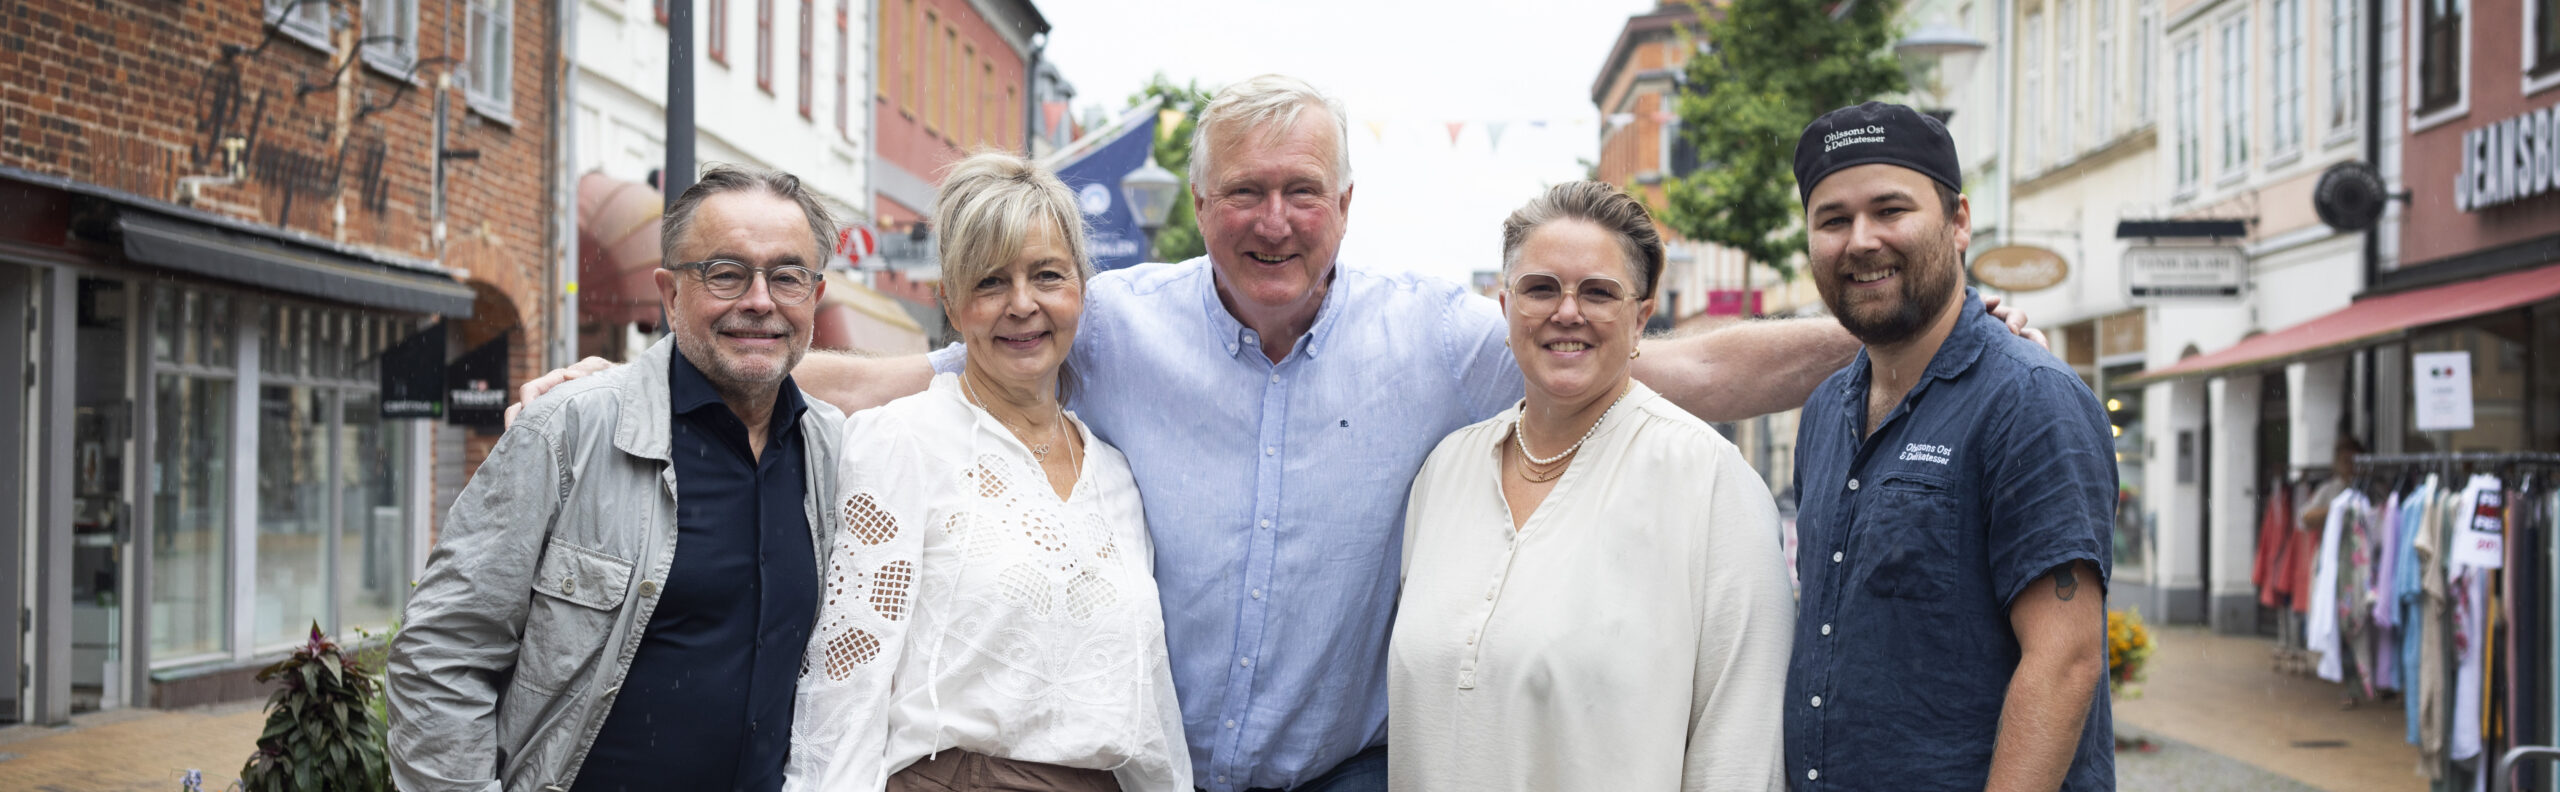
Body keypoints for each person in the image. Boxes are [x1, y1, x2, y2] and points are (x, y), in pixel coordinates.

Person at [517, 76, 2039, 792]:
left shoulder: (1445, 335)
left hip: (1346, 782)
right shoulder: (1112, 321)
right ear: (1199, 204)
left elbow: (1682, 367)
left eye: (1301, 190)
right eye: (1243, 190)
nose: (1272, 218)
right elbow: (910, 376)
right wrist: (633, 381)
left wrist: (1903, 329)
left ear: (1345, 207)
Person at [387, 165, 848, 792]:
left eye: (787, 276)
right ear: (671, 294)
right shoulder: (568, 431)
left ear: (814, 297)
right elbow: (440, 655)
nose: (760, 300)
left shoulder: (833, 452)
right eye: (726, 273)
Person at [785, 152, 1188, 792]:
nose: (1022, 304)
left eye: (1047, 275)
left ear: (1082, 289)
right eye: (990, 282)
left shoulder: (1114, 475)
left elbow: (1149, 704)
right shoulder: (904, 441)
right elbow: (849, 678)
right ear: (951, 302)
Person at [1389, 181, 1792, 791]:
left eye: (1599, 293)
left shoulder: (1709, 480)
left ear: (1641, 319)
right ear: (1505, 307)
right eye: (1540, 289)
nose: (1567, 312)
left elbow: (1741, 747)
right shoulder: (1445, 472)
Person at [1780, 102, 2115, 791]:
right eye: (1833, 220)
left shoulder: (2027, 399)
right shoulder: (1822, 413)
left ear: (1958, 222)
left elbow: (2065, 661)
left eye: (1890, 210)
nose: (1861, 240)